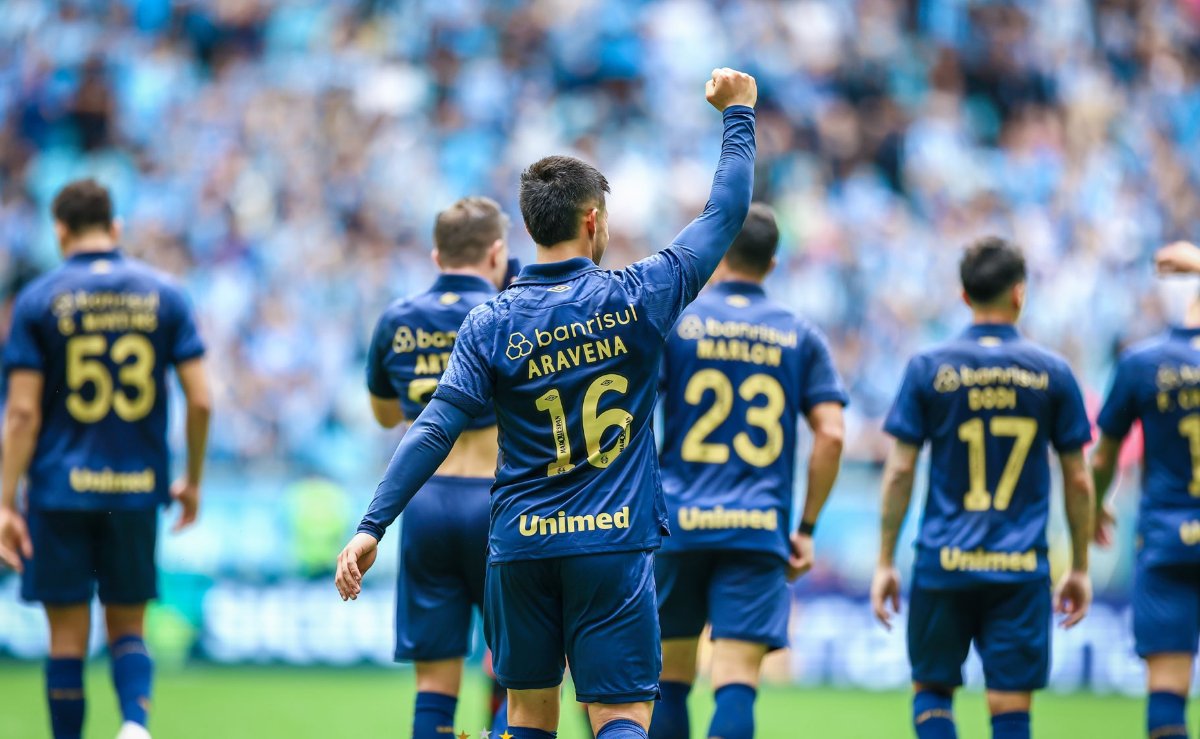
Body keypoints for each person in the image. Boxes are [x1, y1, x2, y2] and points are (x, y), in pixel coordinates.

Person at [335, 67, 758, 739]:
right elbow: (725, 214)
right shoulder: (640, 294)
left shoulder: (491, 321)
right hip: (612, 543)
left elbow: (435, 426)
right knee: (621, 715)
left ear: (530, 226)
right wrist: (738, 115)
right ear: (592, 220)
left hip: (520, 546)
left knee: (528, 717)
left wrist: (372, 525)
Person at [0, 179, 211, 739]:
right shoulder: (166, 294)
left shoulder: (37, 300)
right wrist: (192, 479)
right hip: (136, 488)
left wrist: (5, 501)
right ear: (115, 228)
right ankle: (134, 726)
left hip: (58, 491)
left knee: (66, 640)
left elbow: (21, 413)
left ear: (60, 231)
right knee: (128, 627)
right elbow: (202, 399)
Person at [870, 237, 1095, 739]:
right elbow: (1079, 478)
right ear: (1019, 293)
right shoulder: (1053, 373)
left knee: (932, 691)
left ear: (964, 295)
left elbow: (901, 471)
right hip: (1019, 568)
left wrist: (885, 560)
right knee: (1010, 707)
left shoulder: (928, 368)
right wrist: (1080, 566)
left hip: (943, 562)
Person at [648, 203, 847, 739]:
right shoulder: (800, 334)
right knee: (736, 678)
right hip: (757, 528)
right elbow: (832, 434)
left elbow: (634, 412)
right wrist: (806, 527)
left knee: (669, 678)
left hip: (680, 523)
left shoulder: (679, 323)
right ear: (773, 263)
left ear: (719, 255)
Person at [364, 196, 511, 738]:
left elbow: (385, 415)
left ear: (436, 255)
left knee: (433, 685)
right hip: (496, 500)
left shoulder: (396, 319)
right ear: (496, 253)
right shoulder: (507, 313)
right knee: (524, 674)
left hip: (424, 502)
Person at [1091, 241, 1200, 739]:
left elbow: (1103, 456)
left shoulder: (1141, 363)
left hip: (1166, 540)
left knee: (1166, 693)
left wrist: (1096, 505)